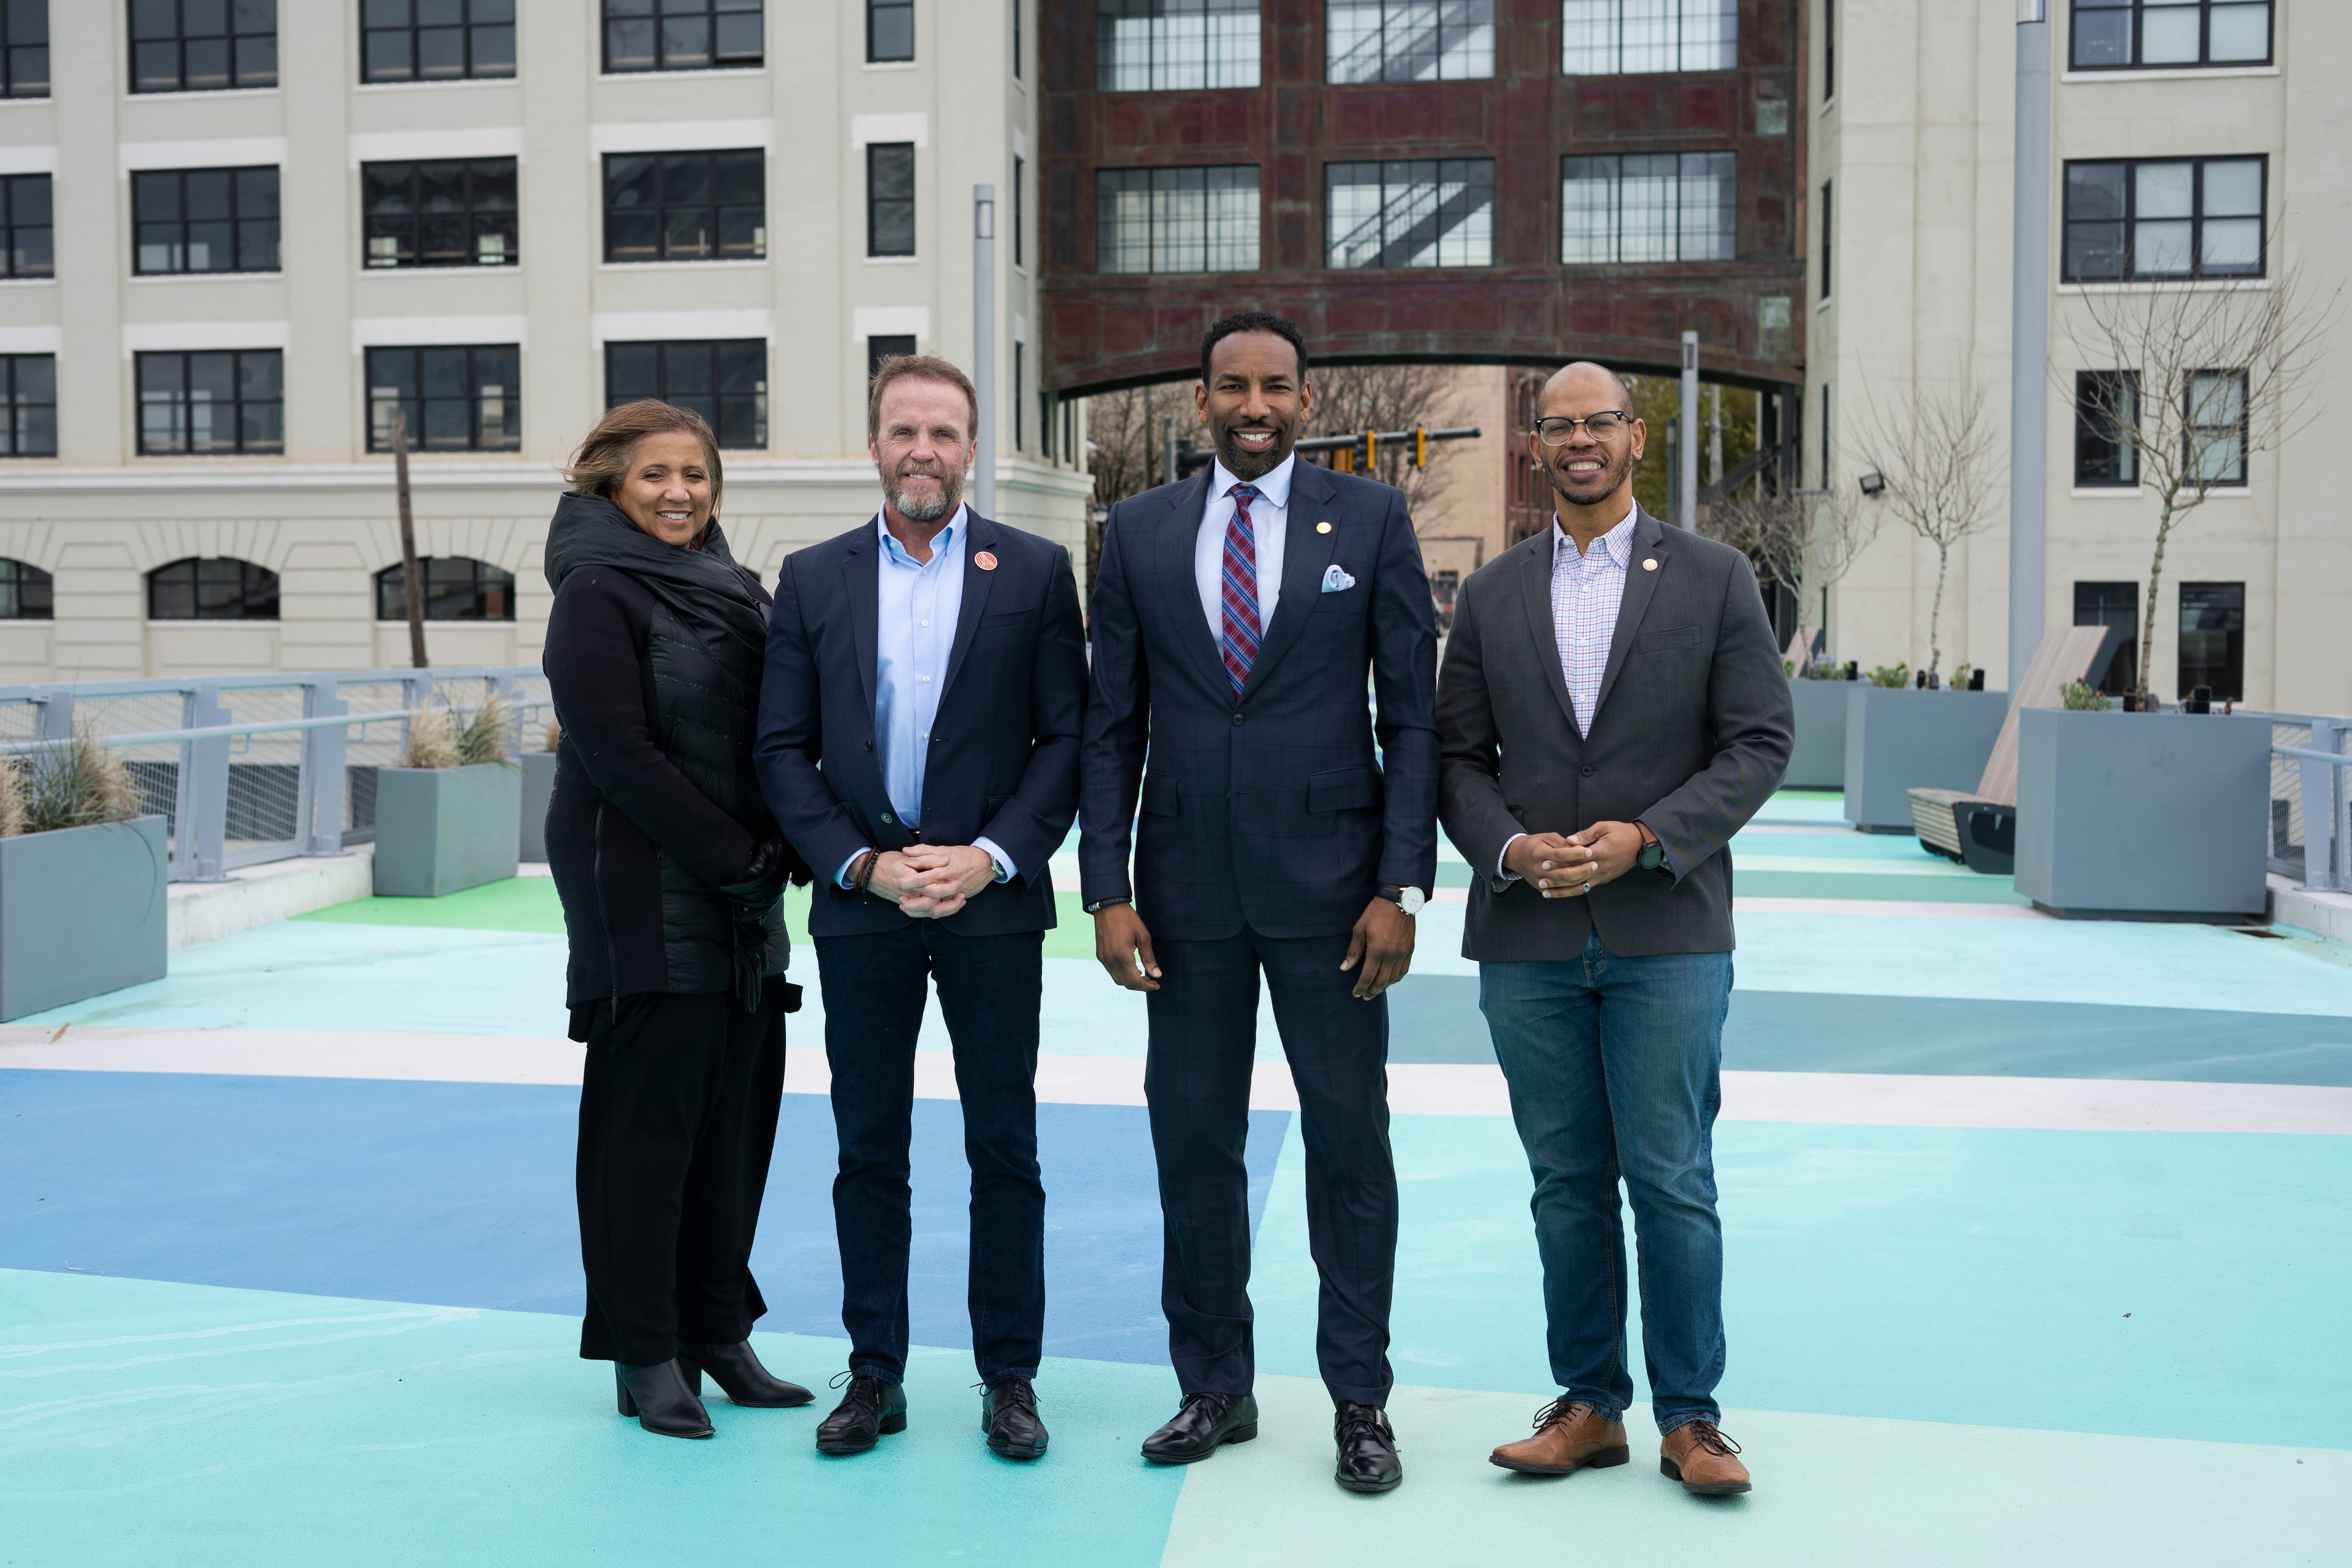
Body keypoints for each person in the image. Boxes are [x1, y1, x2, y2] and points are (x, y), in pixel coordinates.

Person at [1080, 311, 1438, 1495]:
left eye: (1276, 387)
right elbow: (1111, 723)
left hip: (1338, 902)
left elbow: (1414, 718)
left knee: (1350, 1149)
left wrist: (1400, 883)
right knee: (1193, 1143)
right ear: (1201, 400)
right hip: (1181, 901)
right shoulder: (1134, 531)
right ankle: (1215, 1385)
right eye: (1233, 386)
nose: (1255, 406)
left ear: (1303, 397)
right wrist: (1106, 890)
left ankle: (1359, 1402)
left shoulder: (1374, 517)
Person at [1435, 362, 1792, 1496]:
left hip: (1669, 928)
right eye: (1558, 425)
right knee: (1564, 1183)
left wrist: (1648, 835)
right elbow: (1455, 758)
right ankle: (1589, 1405)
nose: (1579, 439)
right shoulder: (1490, 594)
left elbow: (1759, 740)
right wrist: (1508, 848)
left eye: (1599, 422)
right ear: (1535, 445)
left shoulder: (1714, 575)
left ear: (1636, 437)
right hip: (1528, 939)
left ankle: (1693, 1420)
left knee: (1672, 1176)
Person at [755, 354, 1088, 1463]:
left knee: (1006, 1149)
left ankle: (1010, 1379)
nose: (923, 452)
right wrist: (860, 864)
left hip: (991, 906)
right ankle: (876, 1374)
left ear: (971, 448)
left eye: (943, 433)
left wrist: (991, 856)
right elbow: (781, 752)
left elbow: (1065, 742)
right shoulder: (812, 578)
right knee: (869, 1151)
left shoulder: (1034, 572)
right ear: (874, 444)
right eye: (904, 431)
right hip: (864, 910)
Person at [541, 400, 813, 1440]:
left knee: (734, 1130)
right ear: (611, 482)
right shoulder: (597, 593)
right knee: (644, 1138)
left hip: (741, 896)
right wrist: (738, 858)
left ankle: (717, 1332)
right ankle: (644, 1351)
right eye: (655, 475)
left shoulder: (734, 587)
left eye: (696, 475)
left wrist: (782, 848)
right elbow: (616, 752)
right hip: (646, 895)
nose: (679, 494)